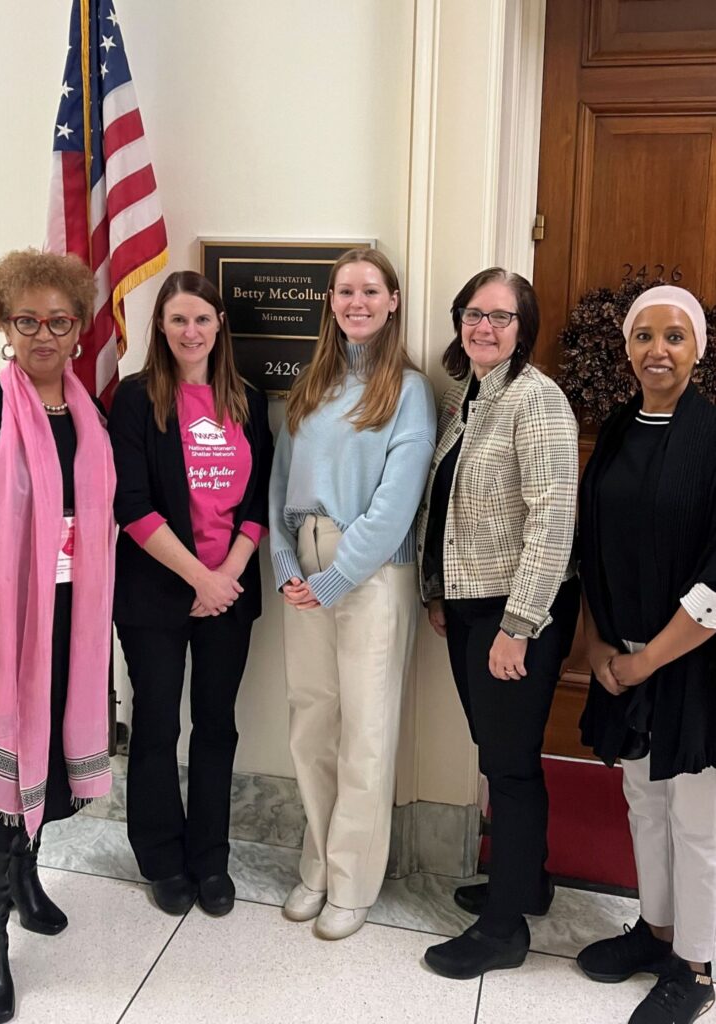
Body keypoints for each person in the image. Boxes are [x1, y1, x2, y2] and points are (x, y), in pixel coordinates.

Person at [0, 249, 115, 1023]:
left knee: (48, 758)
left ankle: (27, 884)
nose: (43, 335)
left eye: (59, 320)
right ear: (3, 325)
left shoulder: (90, 417)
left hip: (68, 625)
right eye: (27, 321)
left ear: (80, 330)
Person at [269, 248, 435, 940]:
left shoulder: (408, 390)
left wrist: (336, 579)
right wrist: (285, 562)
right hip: (302, 564)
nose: (356, 302)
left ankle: (353, 881)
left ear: (393, 300)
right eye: (344, 291)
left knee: (366, 730)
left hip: (370, 572)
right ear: (329, 302)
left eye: (370, 290)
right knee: (313, 723)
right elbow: (279, 483)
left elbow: (397, 505)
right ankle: (317, 862)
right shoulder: (312, 382)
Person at [417, 267, 579, 979]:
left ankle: (504, 927)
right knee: (496, 750)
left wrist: (519, 624)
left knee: (508, 766)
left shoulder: (536, 401)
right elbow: (448, 506)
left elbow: (552, 523)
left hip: (518, 609)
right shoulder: (472, 395)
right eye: (473, 314)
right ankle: (526, 880)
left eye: (501, 317)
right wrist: (436, 592)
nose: (484, 327)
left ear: (523, 328)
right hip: (470, 603)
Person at [108, 271, 272, 920]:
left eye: (201, 318)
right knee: (155, 726)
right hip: (155, 593)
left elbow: (258, 501)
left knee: (216, 727)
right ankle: (159, 856)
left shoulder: (247, 399)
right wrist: (197, 579)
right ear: (160, 327)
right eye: (177, 319)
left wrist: (224, 577)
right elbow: (131, 505)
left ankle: (210, 858)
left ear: (219, 325)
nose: (190, 331)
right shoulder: (134, 398)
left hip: (227, 594)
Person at [576, 286, 716, 1024]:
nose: (656, 350)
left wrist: (647, 659)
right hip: (621, 655)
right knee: (644, 801)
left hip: (689, 663)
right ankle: (656, 930)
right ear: (626, 347)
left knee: (696, 818)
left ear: (697, 350)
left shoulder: (712, 436)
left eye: (673, 337)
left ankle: (695, 965)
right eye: (642, 336)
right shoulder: (617, 432)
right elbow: (594, 548)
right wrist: (599, 640)